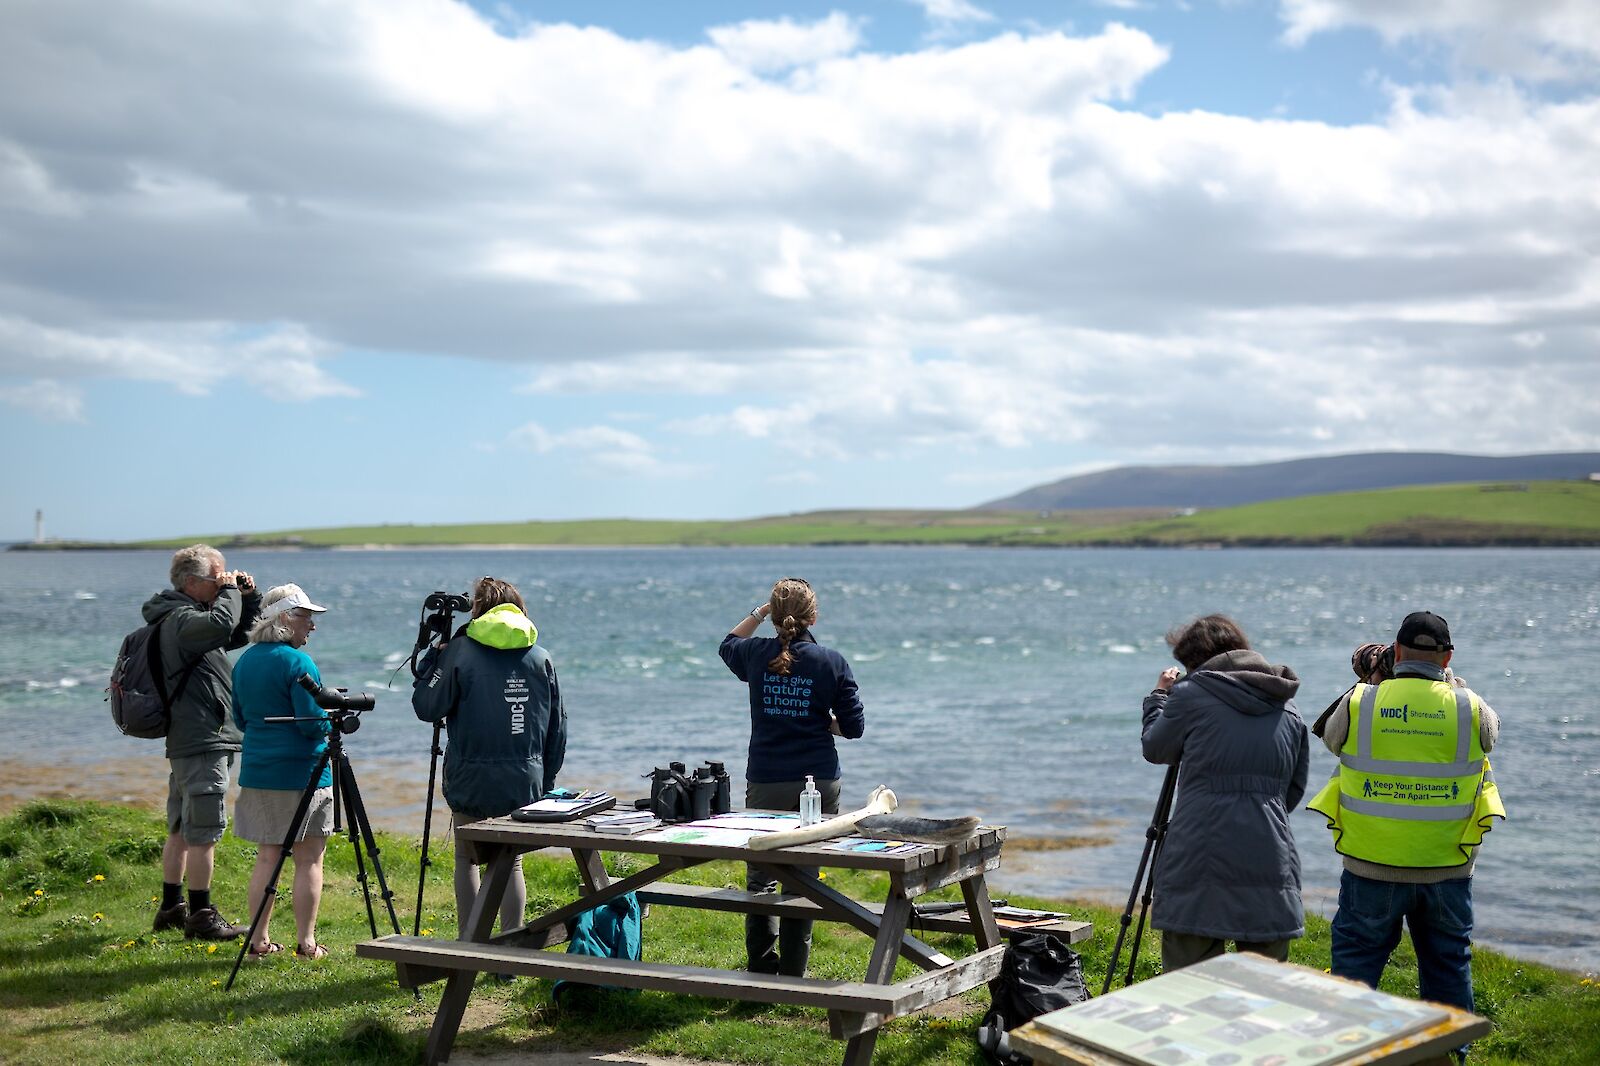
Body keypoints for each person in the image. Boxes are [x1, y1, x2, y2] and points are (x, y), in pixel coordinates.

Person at [1308, 611, 1506, 1014]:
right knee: (1447, 967)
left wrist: (1377, 681)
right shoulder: (1470, 705)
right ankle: (1448, 1055)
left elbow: (1331, 737)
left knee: (1355, 970)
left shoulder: (1361, 700)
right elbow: (1490, 736)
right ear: (1448, 659)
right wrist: (1451, 684)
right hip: (1447, 866)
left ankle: (1346, 1051)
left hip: (1370, 865)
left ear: (1396, 652)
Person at [1140, 614, 1309, 972]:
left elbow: (1157, 749)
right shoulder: (1288, 706)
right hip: (1270, 853)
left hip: (1198, 852)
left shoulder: (1191, 694)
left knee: (1190, 983)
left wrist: (1158, 698)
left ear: (1196, 662)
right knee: (1264, 989)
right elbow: (1292, 790)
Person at [720, 577, 866, 977]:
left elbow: (726, 644)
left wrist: (759, 612)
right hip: (818, 780)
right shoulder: (831, 661)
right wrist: (821, 724)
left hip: (766, 777)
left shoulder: (755, 654)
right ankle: (795, 972)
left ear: (773, 615)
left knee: (761, 876)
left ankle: (761, 969)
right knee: (804, 877)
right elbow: (854, 728)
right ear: (813, 616)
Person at [413, 577, 566, 939]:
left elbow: (426, 706)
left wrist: (437, 657)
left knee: (467, 857)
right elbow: (557, 727)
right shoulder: (540, 657)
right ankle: (510, 947)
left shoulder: (460, 652)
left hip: (470, 776)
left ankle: (470, 943)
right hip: (524, 778)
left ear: (478, 611)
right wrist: (546, 781)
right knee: (510, 861)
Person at [143, 544, 261, 941]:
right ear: (192, 583)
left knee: (180, 825)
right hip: (201, 739)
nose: (222, 583)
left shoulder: (184, 621)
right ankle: (201, 916)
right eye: (217, 578)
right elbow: (219, 626)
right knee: (203, 830)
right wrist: (230, 593)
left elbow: (237, 631)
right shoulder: (182, 621)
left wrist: (248, 597)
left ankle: (171, 906)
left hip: (191, 737)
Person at [231, 584, 333, 960]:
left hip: (259, 770)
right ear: (286, 619)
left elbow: (241, 717)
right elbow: (311, 723)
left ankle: (258, 940)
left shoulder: (245, 660)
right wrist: (329, 719)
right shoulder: (297, 663)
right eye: (306, 617)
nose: (312, 626)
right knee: (309, 859)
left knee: (267, 857)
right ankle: (306, 942)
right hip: (303, 773)